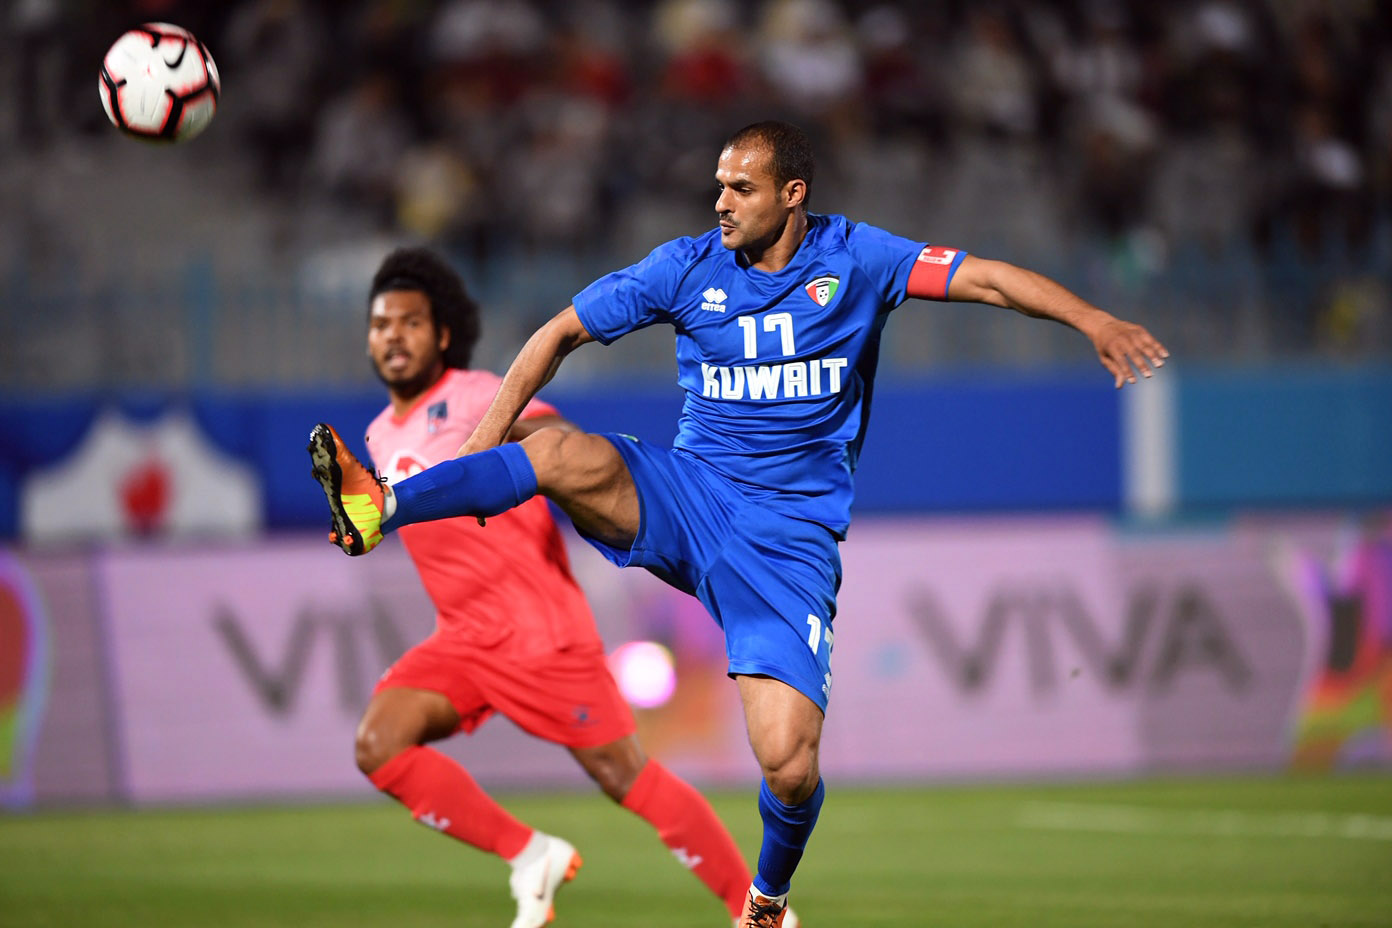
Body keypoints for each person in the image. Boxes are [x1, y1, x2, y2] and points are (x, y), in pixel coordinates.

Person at [311, 121, 1169, 927]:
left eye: (741, 188)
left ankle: (765, 899)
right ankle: (379, 504)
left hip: (787, 540)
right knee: (565, 453)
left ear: (792, 194)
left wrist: (1092, 319)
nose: (720, 202)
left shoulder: (857, 257)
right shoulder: (686, 266)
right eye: (718, 186)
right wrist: (481, 453)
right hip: (688, 493)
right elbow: (557, 333)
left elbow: (982, 278)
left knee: (788, 763)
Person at [308, 247, 779, 928]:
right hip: (464, 639)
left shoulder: (475, 395)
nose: (393, 336)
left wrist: (524, 435)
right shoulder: (380, 435)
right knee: (379, 744)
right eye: (382, 324)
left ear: (442, 335)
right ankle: (531, 854)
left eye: (411, 323)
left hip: (539, 633)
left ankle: (760, 912)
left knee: (627, 779)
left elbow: (559, 441)